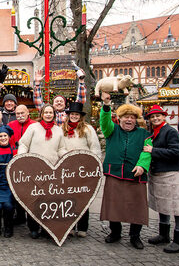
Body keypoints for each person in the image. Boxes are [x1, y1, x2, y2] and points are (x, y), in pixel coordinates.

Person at [99, 92, 151, 250]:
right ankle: (115, 232)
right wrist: (106, 106)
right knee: (113, 206)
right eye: (126, 117)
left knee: (137, 207)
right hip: (114, 172)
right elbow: (104, 120)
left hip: (135, 175)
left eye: (132, 117)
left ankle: (135, 236)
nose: (129, 120)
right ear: (119, 118)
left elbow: (147, 151)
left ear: (136, 119)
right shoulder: (111, 130)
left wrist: (142, 165)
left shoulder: (144, 134)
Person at [143, 105, 179, 253]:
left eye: (158, 116)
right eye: (152, 116)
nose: (155, 118)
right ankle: (164, 235)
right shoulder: (155, 132)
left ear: (164, 117)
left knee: (177, 207)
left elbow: (177, 152)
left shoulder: (170, 131)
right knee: (162, 204)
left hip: (171, 174)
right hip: (159, 174)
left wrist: (153, 150)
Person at [18, 104, 66, 238]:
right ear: (42, 114)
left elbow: (61, 148)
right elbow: (24, 144)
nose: (49, 115)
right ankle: (33, 227)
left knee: (49, 200)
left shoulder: (58, 130)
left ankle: (47, 228)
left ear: (54, 115)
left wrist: (67, 156)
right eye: (46, 112)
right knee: (34, 199)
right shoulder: (33, 128)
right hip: (35, 168)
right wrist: (22, 157)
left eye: (51, 113)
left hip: (51, 169)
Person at [62, 101, 101, 237]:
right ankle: (70, 226)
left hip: (83, 168)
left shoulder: (87, 129)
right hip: (67, 169)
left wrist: (93, 166)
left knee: (83, 197)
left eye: (76, 114)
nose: (74, 116)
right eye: (72, 114)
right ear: (68, 115)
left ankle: (83, 227)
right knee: (68, 198)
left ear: (80, 116)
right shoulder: (63, 129)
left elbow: (95, 148)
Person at [0, 125, 19, 238]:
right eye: (1, 136)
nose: (3, 138)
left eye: (5, 135)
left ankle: (8, 226)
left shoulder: (15, 150)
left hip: (10, 184)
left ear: (9, 137)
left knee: (8, 206)